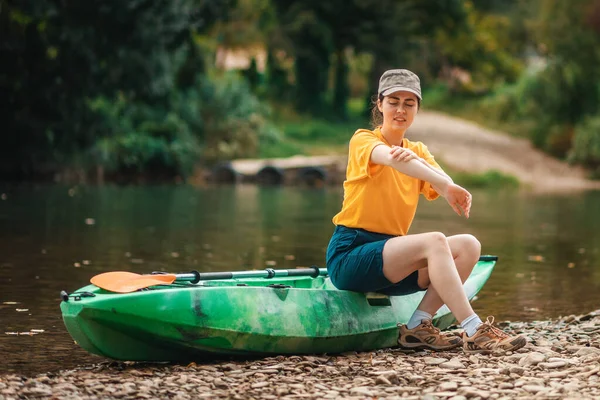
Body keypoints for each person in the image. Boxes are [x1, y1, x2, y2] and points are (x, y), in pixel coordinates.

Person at [326, 69, 526, 354]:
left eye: (409, 103)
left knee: (469, 245)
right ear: (379, 104)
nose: (400, 109)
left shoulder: (418, 150)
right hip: (351, 255)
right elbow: (392, 159)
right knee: (434, 240)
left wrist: (447, 185)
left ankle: (419, 325)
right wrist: (443, 183)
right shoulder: (363, 141)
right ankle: (473, 328)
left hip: (393, 262)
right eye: (394, 101)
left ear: (417, 109)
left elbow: (438, 178)